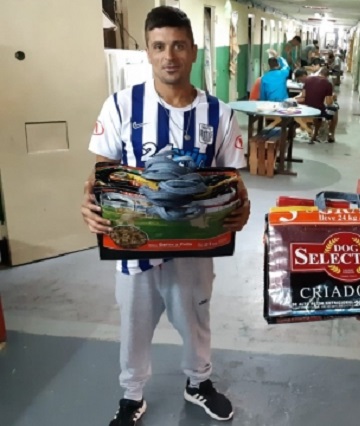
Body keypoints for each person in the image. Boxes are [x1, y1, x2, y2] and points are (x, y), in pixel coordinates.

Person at [80, 6, 250, 425]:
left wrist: (240, 207)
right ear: (148, 52)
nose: (168, 56)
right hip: (134, 245)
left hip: (195, 246)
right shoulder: (121, 105)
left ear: (193, 51)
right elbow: (102, 174)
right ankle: (131, 395)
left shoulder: (219, 113)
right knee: (133, 324)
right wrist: (90, 202)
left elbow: (233, 180)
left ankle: (198, 383)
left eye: (178, 46)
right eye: (158, 47)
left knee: (195, 319)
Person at [297, 68, 338, 143]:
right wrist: (333, 98)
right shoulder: (328, 83)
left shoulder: (308, 80)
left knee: (318, 109)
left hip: (307, 108)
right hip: (318, 111)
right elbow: (329, 102)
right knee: (334, 111)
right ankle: (331, 135)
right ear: (327, 76)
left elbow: (303, 96)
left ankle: (315, 135)